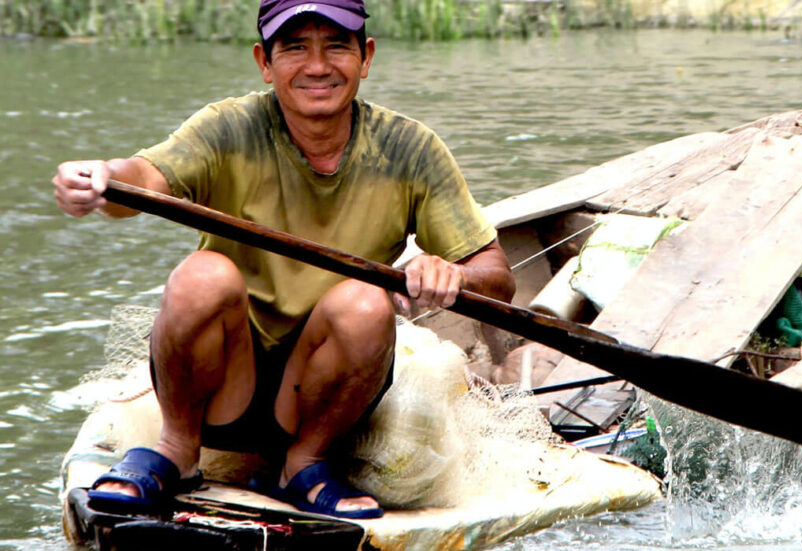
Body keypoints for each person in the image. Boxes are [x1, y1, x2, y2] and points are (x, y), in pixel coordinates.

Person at [51, 0, 515, 519]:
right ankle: (176, 451)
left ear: (366, 57)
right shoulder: (229, 127)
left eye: (337, 45)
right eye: (295, 48)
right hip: (225, 384)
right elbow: (141, 178)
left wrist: (453, 273)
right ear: (264, 64)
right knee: (203, 275)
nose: (317, 66)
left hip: (329, 394)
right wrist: (99, 180)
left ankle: (306, 463)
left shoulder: (410, 149)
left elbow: (497, 277)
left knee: (366, 302)